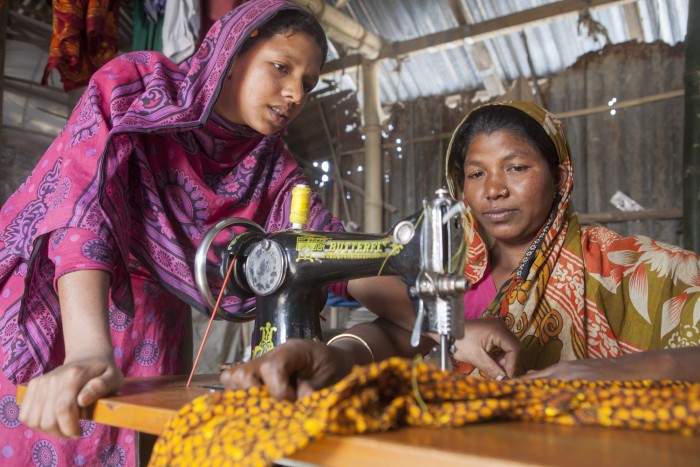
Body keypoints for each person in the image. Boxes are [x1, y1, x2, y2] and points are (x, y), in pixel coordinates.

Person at [0, 1, 434, 464]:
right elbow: (81, 213)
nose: (294, 94)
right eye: (281, 67)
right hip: (66, 314)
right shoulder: (136, 88)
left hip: (153, 338)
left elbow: (332, 257)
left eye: (307, 83)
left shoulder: (273, 172)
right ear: (233, 52)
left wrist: (443, 322)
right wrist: (87, 350)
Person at [221, 100, 700, 401]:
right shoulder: (453, 271)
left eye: (515, 168)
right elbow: (390, 338)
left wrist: (615, 372)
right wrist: (329, 358)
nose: (493, 190)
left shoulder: (629, 265)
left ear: (560, 177)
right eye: (476, 174)